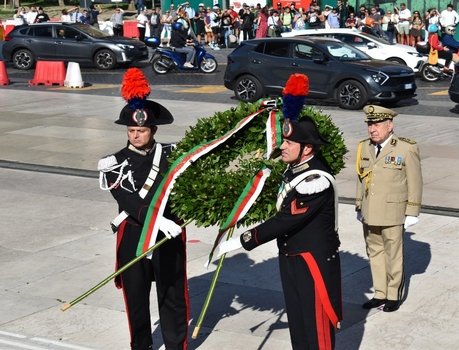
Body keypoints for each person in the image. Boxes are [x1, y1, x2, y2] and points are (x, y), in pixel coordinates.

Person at [214, 74, 342, 349]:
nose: (282, 147)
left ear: (307, 149)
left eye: (289, 144)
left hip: (312, 262)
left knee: (316, 328)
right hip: (292, 257)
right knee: (299, 324)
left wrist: (243, 240)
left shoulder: (315, 179)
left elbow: (287, 218)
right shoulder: (295, 169)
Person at [97, 68, 190, 349]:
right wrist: (157, 220)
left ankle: (176, 346)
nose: (136, 135)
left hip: (167, 238)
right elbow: (127, 202)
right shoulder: (113, 164)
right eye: (132, 131)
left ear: (153, 130)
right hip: (136, 236)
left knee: (171, 297)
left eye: (142, 130)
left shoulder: (172, 155)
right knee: (136, 300)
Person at [355, 105, 423, 312]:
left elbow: (415, 182)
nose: (372, 129)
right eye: (370, 125)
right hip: (370, 211)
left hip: (393, 212)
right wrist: (359, 205)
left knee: (394, 255)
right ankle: (380, 293)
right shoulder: (364, 147)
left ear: (389, 125)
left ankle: (393, 294)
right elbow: (361, 179)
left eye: (376, 125)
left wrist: (412, 211)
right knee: (374, 252)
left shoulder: (405, 148)